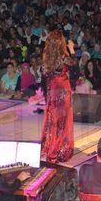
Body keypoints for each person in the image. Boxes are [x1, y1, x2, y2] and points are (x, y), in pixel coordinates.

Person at [41, 29, 74, 163]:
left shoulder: (46, 56)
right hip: (62, 88)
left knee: (53, 118)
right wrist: (71, 49)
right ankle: (59, 148)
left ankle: (51, 145)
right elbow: (74, 64)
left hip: (52, 88)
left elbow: (44, 73)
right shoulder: (63, 56)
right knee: (63, 119)